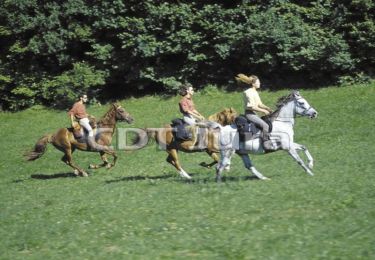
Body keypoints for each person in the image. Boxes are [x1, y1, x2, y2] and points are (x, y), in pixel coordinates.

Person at [235, 73, 275, 151]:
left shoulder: (255, 92)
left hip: (254, 114)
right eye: (258, 82)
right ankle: (266, 144)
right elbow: (251, 107)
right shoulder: (248, 92)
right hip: (250, 114)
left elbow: (260, 104)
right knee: (265, 126)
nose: (260, 83)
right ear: (253, 84)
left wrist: (268, 109)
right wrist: (263, 111)